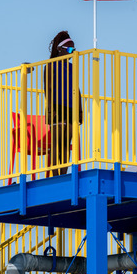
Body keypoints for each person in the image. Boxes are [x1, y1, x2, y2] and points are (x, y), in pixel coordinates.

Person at [45, 31, 83, 176]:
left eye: (73, 49)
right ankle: (55, 176)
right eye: (69, 49)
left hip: (71, 108)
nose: (72, 52)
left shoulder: (72, 67)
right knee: (57, 143)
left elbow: (76, 89)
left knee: (67, 143)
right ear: (59, 49)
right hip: (57, 107)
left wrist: (80, 110)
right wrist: (50, 108)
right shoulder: (50, 65)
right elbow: (47, 88)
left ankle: (64, 174)